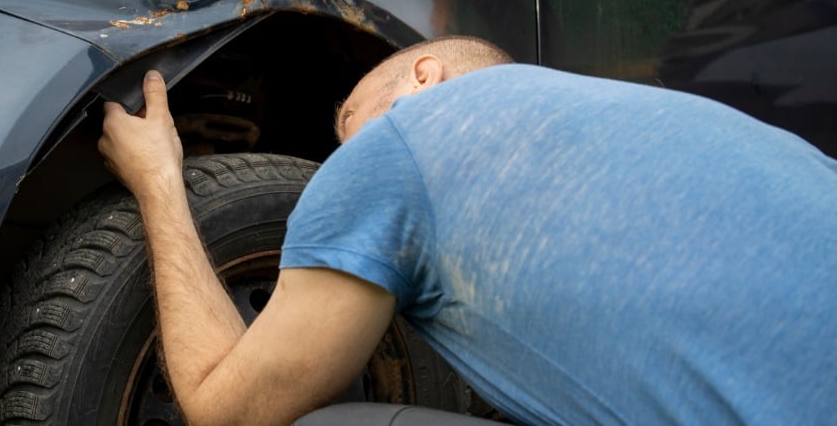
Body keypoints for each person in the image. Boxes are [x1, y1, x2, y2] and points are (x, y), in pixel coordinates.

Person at [97, 35, 837, 426]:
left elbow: (227, 412)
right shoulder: (668, 118)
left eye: (349, 124)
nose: (342, 160)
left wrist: (161, 182)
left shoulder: (405, 143)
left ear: (424, 78)